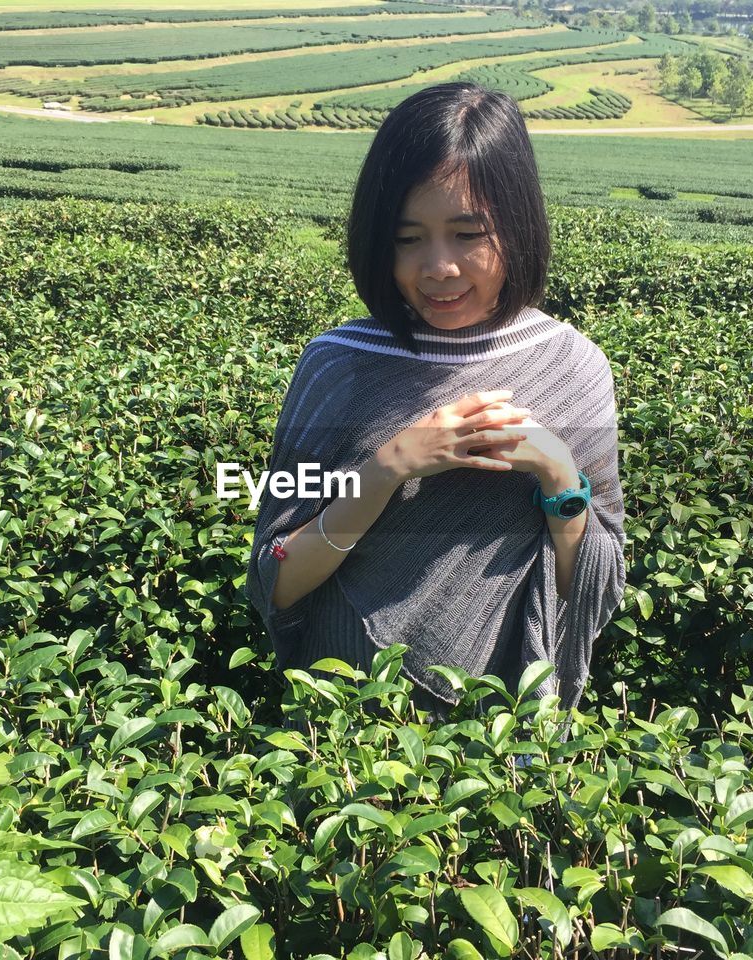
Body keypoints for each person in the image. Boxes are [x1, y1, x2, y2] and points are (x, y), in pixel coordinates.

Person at [244, 82, 627, 724]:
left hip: (502, 729)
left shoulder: (572, 366)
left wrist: (560, 474)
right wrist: (387, 468)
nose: (438, 268)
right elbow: (275, 579)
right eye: (407, 238)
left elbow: (593, 587)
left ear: (518, 225)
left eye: (467, 233)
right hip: (342, 726)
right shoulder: (336, 366)